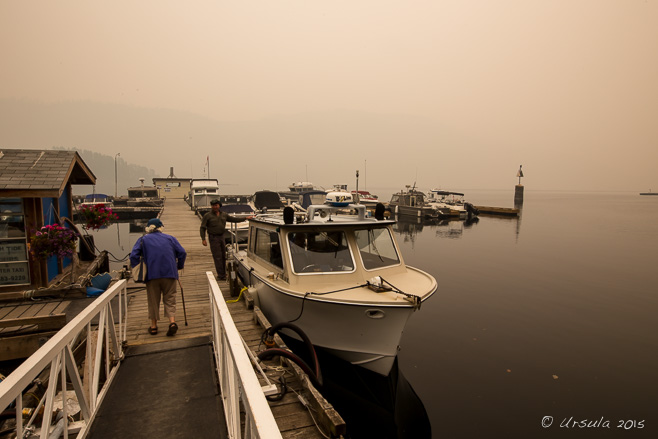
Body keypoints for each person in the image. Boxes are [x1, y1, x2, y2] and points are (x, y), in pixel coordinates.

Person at [130, 218, 186, 336]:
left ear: (148, 228)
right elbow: (182, 252)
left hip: (151, 274)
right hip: (170, 273)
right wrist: (179, 266)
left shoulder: (143, 239)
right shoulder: (170, 238)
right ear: (160, 228)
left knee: (153, 300)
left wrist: (138, 268)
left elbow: (134, 255)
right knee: (170, 299)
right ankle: (172, 322)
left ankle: (154, 326)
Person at [200, 199, 248, 280]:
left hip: (222, 237)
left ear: (219, 205)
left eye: (216, 205)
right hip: (213, 238)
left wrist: (245, 218)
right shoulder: (207, 216)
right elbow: (202, 228)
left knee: (223, 256)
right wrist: (203, 239)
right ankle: (221, 275)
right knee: (217, 256)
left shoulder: (224, 215)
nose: (214, 207)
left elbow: (234, 219)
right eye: (213, 205)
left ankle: (224, 273)